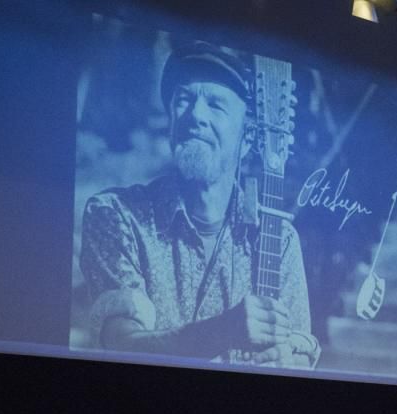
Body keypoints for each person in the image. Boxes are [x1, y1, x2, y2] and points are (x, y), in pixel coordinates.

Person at [79, 41, 318, 368]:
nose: (196, 115)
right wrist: (222, 330)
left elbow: (300, 357)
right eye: (184, 100)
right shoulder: (117, 215)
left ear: (247, 139)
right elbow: (122, 346)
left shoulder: (279, 240)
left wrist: (285, 363)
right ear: (171, 123)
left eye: (216, 105)